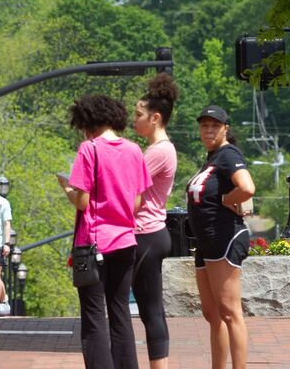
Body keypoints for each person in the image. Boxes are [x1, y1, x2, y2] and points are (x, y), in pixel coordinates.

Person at [57, 95, 151, 369]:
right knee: (120, 312)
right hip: (125, 242)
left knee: (95, 316)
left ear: (88, 122)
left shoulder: (89, 149)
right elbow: (137, 202)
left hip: (94, 245)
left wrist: (66, 188)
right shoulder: (134, 150)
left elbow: (83, 201)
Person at [187, 105, 255, 369]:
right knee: (212, 313)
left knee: (229, 312)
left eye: (215, 125)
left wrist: (228, 199)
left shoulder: (228, 155)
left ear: (226, 128)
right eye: (204, 125)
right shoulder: (212, 158)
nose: (209, 130)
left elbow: (247, 187)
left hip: (224, 237)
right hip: (206, 241)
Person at [131, 73, 179, 369]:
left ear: (155, 118)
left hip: (147, 233)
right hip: (149, 233)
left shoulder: (158, 152)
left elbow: (131, 192)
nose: (133, 120)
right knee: (150, 309)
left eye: (138, 114)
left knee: (151, 309)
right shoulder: (156, 150)